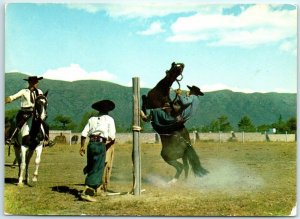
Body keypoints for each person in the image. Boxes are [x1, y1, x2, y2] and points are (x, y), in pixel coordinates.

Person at [79, 99, 116, 202]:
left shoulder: (92, 119)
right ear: (108, 110)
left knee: (92, 165)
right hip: (100, 144)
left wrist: (82, 147)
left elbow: (83, 134)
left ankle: (98, 190)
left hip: (90, 144)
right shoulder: (109, 119)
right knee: (97, 168)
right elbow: (112, 136)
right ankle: (87, 191)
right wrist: (105, 143)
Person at [5, 76, 54, 147]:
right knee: (16, 123)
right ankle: (11, 138)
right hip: (24, 112)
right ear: (30, 82)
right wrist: (6, 100)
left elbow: (41, 101)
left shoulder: (39, 91)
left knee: (45, 124)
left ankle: (47, 139)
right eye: (35, 82)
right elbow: (13, 97)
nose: (36, 83)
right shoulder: (23, 91)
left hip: (35, 112)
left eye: (37, 82)